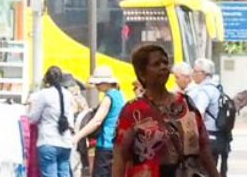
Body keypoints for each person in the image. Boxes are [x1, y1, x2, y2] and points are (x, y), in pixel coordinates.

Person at [112, 44, 221, 177]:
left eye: (165, 62)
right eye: (156, 64)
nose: (163, 67)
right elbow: (120, 156)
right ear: (142, 73)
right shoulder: (132, 111)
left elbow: (204, 148)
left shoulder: (185, 103)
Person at [74, 65, 127, 177]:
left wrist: (77, 136)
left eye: (97, 83)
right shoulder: (120, 95)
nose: (96, 86)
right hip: (118, 145)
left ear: (106, 82)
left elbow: (97, 121)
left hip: (105, 145)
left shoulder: (108, 98)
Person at [29, 65, 77, 177]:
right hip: (65, 143)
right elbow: (70, 123)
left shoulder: (44, 94)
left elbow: (33, 119)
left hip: (48, 141)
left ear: (47, 79)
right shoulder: (68, 95)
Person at [187, 58, 230, 177]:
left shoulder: (204, 91)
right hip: (219, 138)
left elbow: (199, 113)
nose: (192, 74)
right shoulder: (217, 88)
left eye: (195, 71)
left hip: (208, 139)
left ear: (203, 73)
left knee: (203, 172)